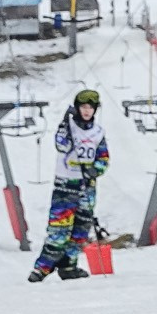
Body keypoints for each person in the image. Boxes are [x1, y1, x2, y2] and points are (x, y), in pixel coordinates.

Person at [29, 90, 108, 282]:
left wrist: (94, 170)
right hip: (66, 186)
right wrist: (65, 124)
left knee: (81, 229)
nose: (87, 111)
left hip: (86, 187)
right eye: (83, 107)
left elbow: (103, 158)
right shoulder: (68, 128)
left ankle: (69, 265)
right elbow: (62, 146)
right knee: (59, 230)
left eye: (90, 108)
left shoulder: (98, 133)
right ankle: (42, 268)